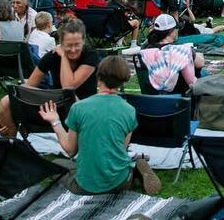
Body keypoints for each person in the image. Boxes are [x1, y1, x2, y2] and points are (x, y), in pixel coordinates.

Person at [39, 55, 160, 195]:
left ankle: (134, 168)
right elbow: (121, 148)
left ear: (98, 77)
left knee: (57, 164)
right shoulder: (129, 110)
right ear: (123, 80)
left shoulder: (79, 108)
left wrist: (55, 121)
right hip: (121, 183)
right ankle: (135, 169)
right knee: (119, 161)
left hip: (85, 186)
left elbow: (70, 150)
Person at [0, 18, 99, 136]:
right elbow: (29, 86)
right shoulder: (52, 56)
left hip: (83, 107)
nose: (73, 50)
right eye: (68, 45)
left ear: (83, 42)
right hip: (58, 105)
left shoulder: (90, 55)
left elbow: (69, 87)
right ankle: (11, 147)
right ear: (61, 43)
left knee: (71, 98)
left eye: (77, 45)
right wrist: (2, 114)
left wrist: (64, 56)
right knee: (6, 101)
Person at [140, 14, 203, 93]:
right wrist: (195, 54)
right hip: (179, 94)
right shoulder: (179, 50)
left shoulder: (145, 51)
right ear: (171, 31)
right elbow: (200, 63)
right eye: (176, 28)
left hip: (152, 93)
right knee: (203, 73)